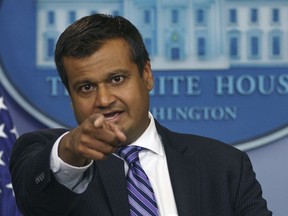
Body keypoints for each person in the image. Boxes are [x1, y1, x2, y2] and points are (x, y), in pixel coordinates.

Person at [10, 13, 272, 216]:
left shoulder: (224, 166)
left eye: (116, 79)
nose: (103, 100)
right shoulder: (53, 157)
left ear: (146, 75)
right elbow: (35, 198)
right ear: (70, 95)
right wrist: (71, 150)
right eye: (86, 87)